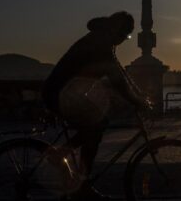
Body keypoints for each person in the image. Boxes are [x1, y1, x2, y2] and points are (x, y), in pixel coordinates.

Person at [42, 11, 145, 201]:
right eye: (125, 34)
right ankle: (78, 179)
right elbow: (117, 79)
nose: (124, 39)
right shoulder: (101, 43)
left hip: (62, 92)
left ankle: (79, 180)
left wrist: (138, 96)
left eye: (128, 35)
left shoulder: (102, 40)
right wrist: (137, 101)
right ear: (117, 29)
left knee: (96, 126)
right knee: (97, 125)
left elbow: (120, 73)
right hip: (60, 94)